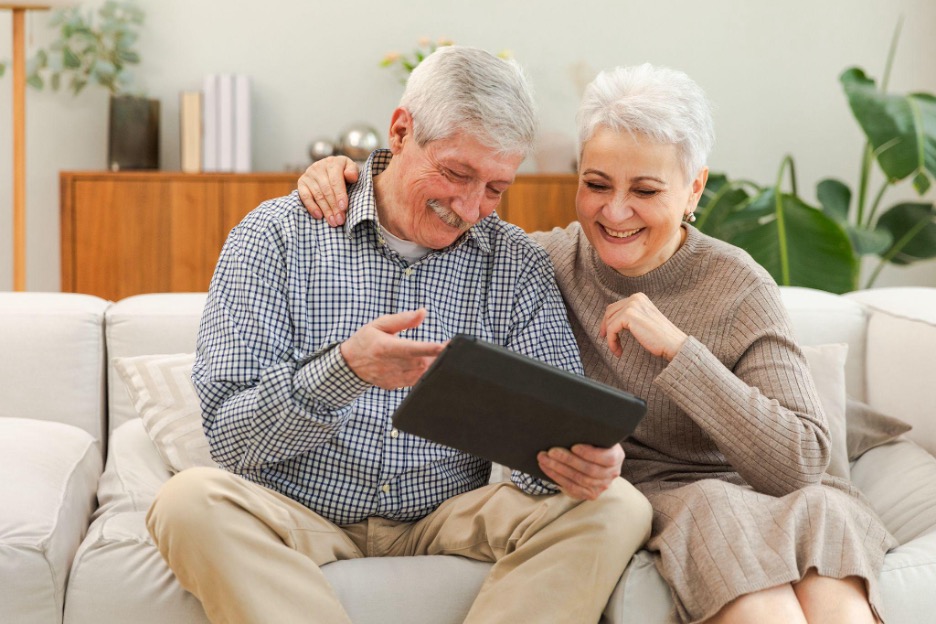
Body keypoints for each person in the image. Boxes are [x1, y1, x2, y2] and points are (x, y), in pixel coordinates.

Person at [299, 63, 895, 623]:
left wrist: (680, 353)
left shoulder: (737, 284)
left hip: (772, 484)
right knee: (739, 551)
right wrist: (349, 175)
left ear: (693, 190)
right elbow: (435, 217)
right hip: (670, 496)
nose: (615, 211)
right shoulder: (545, 263)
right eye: (597, 184)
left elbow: (801, 464)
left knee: (830, 548)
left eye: (646, 190)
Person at [146, 46, 653, 624]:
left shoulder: (515, 264)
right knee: (186, 503)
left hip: (445, 514)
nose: (469, 207)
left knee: (615, 505)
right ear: (401, 130)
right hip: (297, 511)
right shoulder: (275, 238)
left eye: (495, 188)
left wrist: (575, 461)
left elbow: (548, 446)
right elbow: (230, 439)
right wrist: (344, 371)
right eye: (457, 173)